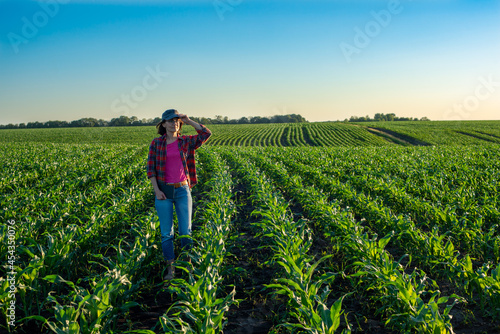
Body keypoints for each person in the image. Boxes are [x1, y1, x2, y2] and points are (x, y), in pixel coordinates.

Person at [147, 109, 212, 280]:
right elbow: (151, 170)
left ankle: (187, 265)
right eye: (170, 120)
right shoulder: (156, 144)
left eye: (177, 120)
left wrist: (189, 120)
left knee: (186, 232)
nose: (174, 123)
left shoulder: (186, 142)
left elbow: (206, 133)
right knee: (167, 234)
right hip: (163, 192)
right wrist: (157, 190)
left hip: (183, 190)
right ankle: (171, 269)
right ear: (163, 124)